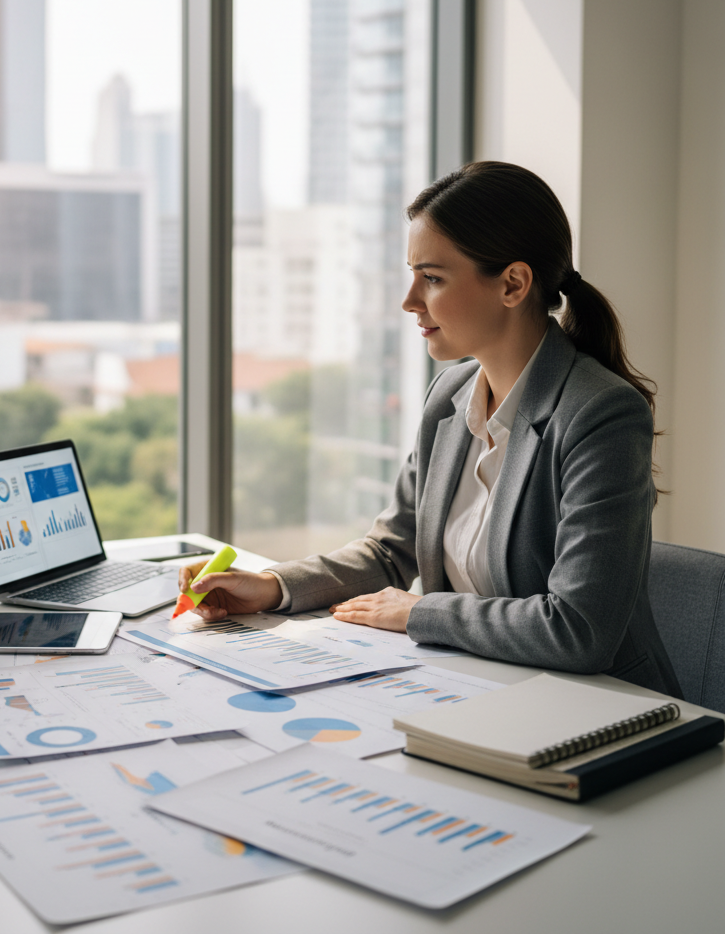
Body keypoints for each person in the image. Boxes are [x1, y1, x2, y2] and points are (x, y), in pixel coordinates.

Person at [178, 161, 681, 697]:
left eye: (433, 278)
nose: (410, 300)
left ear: (513, 283)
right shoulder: (450, 396)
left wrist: (422, 613)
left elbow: (579, 630)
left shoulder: (600, 414)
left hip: (596, 706)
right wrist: (273, 585)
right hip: (479, 685)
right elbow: (390, 549)